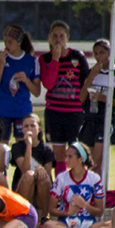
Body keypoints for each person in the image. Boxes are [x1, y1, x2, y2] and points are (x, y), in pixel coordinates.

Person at [39, 21, 89, 175]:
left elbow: (85, 83)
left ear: (67, 37)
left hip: (74, 113)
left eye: (61, 36)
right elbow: (48, 83)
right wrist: (55, 59)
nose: (58, 39)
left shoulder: (78, 56)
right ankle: (61, 188)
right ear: (49, 38)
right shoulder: (44, 59)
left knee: (77, 152)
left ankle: (80, 183)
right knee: (59, 154)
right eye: (54, 36)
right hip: (54, 112)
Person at [41, 142, 113, 228]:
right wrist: (68, 213)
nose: (66, 159)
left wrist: (84, 205)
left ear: (80, 159)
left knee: (114, 225)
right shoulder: (61, 178)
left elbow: (99, 212)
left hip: (89, 224)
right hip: (66, 224)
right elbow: (51, 210)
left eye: (70, 157)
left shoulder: (94, 178)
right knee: (47, 226)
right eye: (66, 156)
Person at [0, 25, 40, 144]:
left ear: (19, 42)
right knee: (0, 148)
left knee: (22, 147)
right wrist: (1, 65)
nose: (6, 45)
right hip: (2, 110)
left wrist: (26, 80)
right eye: (5, 41)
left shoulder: (31, 61)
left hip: (22, 111)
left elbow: (37, 92)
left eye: (10, 42)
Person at [79, 39, 115, 176]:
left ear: (110, 53)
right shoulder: (91, 72)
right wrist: (91, 77)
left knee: (96, 163)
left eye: (102, 53)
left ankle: (99, 194)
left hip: (105, 120)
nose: (98, 57)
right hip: (89, 119)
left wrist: (103, 98)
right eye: (96, 53)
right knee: (87, 163)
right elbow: (81, 98)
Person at [10, 114, 54, 219]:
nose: (29, 128)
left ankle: (44, 217)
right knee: (29, 175)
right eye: (26, 126)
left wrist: (40, 169)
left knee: (43, 178)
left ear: (39, 129)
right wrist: (28, 145)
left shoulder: (47, 149)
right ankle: (24, 217)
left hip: (40, 193)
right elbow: (25, 169)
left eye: (32, 126)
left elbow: (47, 177)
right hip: (23, 190)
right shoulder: (17, 147)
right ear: (22, 129)